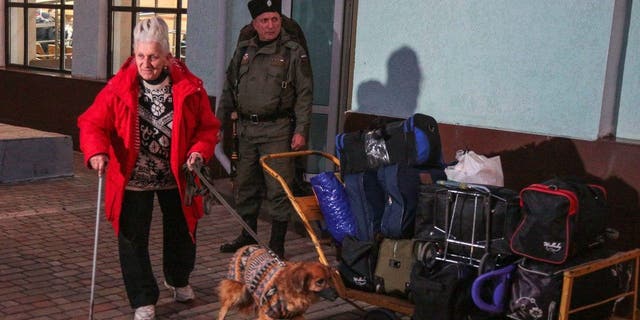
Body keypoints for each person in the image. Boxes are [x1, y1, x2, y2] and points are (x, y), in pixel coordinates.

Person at [77, 17, 220, 320]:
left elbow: (208, 128)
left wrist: (198, 152)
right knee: (132, 237)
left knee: (183, 232)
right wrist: (97, 152)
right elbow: (91, 123)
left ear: (168, 56)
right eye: (141, 56)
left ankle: (178, 279)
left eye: (154, 57)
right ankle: (143, 298)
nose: (146, 63)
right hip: (134, 177)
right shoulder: (119, 87)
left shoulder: (188, 87)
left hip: (177, 175)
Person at [217, 0, 313, 258]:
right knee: (245, 186)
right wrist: (217, 123)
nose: (270, 25)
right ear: (254, 24)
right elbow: (229, 87)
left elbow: (305, 93)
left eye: (275, 19)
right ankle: (247, 234)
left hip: (278, 130)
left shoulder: (292, 51)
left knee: (278, 189)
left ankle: (277, 244)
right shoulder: (243, 50)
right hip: (247, 130)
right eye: (264, 20)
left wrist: (301, 130)